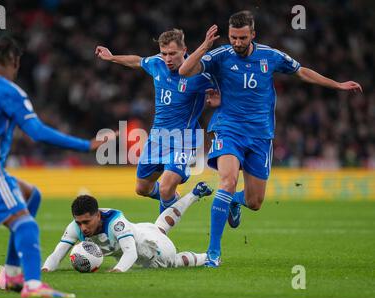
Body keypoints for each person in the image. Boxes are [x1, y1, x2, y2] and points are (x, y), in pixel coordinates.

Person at [179, 10, 363, 267]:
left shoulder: (271, 56)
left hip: (260, 136)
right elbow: (185, 71)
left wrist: (337, 85)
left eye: (243, 38)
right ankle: (213, 253)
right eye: (233, 37)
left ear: (253, 35)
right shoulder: (219, 56)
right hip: (228, 129)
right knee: (228, 180)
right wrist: (204, 46)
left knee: (254, 202)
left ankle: (233, 202)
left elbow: (302, 72)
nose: (237, 42)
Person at [0, 36, 114, 298]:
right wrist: (86, 145)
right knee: (26, 226)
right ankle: (33, 286)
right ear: (15, 61)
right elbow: (36, 131)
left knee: (31, 196)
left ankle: (12, 275)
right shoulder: (9, 92)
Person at [95, 29, 218, 215]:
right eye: (164, 53)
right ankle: (181, 199)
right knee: (142, 188)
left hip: (183, 140)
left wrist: (217, 100)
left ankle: (161, 236)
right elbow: (137, 60)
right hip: (157, 138)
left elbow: (226, 90)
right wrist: (112, 58)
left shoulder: (200, 75)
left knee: (166, 188)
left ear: (184, 50)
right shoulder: (157, 63)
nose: (168, 58)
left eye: (173, 54)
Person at [42, 182, 213, 272]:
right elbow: (57, 253)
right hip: (141, 229)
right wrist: (46, 268)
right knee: (160, 227)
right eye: (79, 222)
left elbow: (130, 253)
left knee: (173, 262)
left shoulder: (116, 222)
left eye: (86, 222)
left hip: (152, 249)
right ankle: (194, 194)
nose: (83, 227)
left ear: (98, 215)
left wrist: (118, 269)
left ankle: (208, 257)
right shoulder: (76, 226)